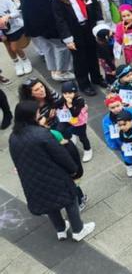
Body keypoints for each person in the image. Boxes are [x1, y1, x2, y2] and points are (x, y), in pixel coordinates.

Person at [8, 100, 95, 242]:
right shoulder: (41, 134)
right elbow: (60, 154)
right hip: (54, 176)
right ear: (30, 116)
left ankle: (60, 229)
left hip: (32, 180)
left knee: (49, 205)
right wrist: (73, 169)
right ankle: (78, 230)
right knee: (70, 200)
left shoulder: (13, 137)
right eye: (37, 112)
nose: (39, 114)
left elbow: (16, 159)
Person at [52, 0, 104, 96]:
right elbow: (60, 21)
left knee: (93, 54)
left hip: (89, 27)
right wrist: (68, 39)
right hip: (74, 31)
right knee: (80, 60)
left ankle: (97, 78)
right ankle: (84, 84)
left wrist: (99, 22)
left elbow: (95, 5)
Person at [19, 0, 74, 81]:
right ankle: (61, 71)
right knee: (61, 47)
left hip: (34, 26)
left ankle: (53, 69)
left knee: (47, 48)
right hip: (47, 25)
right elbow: (45, 11)